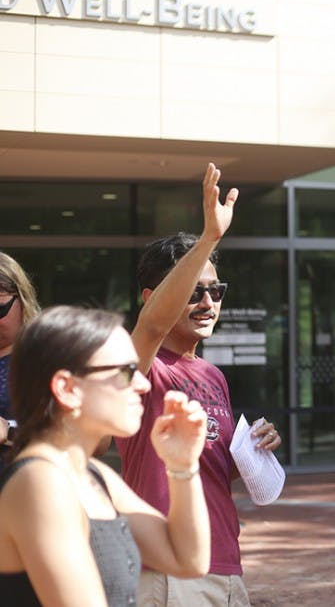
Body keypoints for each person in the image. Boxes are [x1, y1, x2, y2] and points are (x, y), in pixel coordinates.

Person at [117, 163, 282, 606]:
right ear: (154, 297)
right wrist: (209, 237)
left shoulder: (213, 376)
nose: (208, 302)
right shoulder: (139, 367)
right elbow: (151, 329)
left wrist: (255, 450)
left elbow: (213, 471)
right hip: (168, 571)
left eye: (216, 289)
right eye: (193, 290)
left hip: (225, 562)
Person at [0, 306, 210, 605]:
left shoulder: (93, 476)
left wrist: (183, 466)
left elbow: (187, 560)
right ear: (67, 388)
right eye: (126, 372)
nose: (144, 384)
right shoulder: (40, 483)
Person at [0, 251, 41, 453]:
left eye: (0, 309)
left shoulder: (46, 358)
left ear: (23, 301)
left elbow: (96, 440)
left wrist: (9, 432)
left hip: (21, 479)